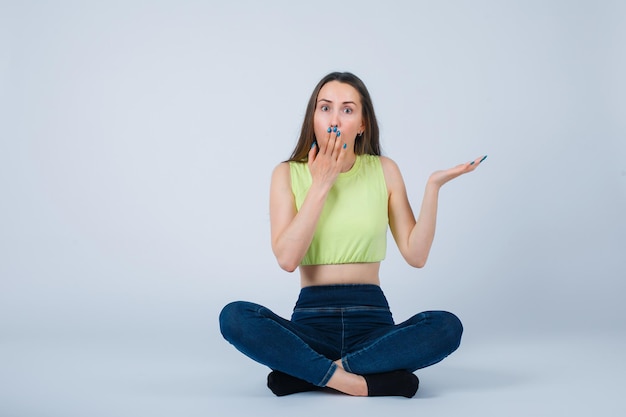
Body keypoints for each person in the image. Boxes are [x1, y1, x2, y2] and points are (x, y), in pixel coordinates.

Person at [219, 71, 486, 398]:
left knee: (446, 326)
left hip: (372, 324)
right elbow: (287, 259)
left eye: (347, 110)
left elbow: (416, 256)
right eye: (325, 108)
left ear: (362, 124)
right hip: (310, 324)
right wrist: (321, 184)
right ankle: (364, 381)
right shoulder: (286, 173)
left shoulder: (384, 169)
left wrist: (433, 186)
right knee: (235, 317)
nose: (335, 118)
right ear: (313, 117)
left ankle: (308, 373)